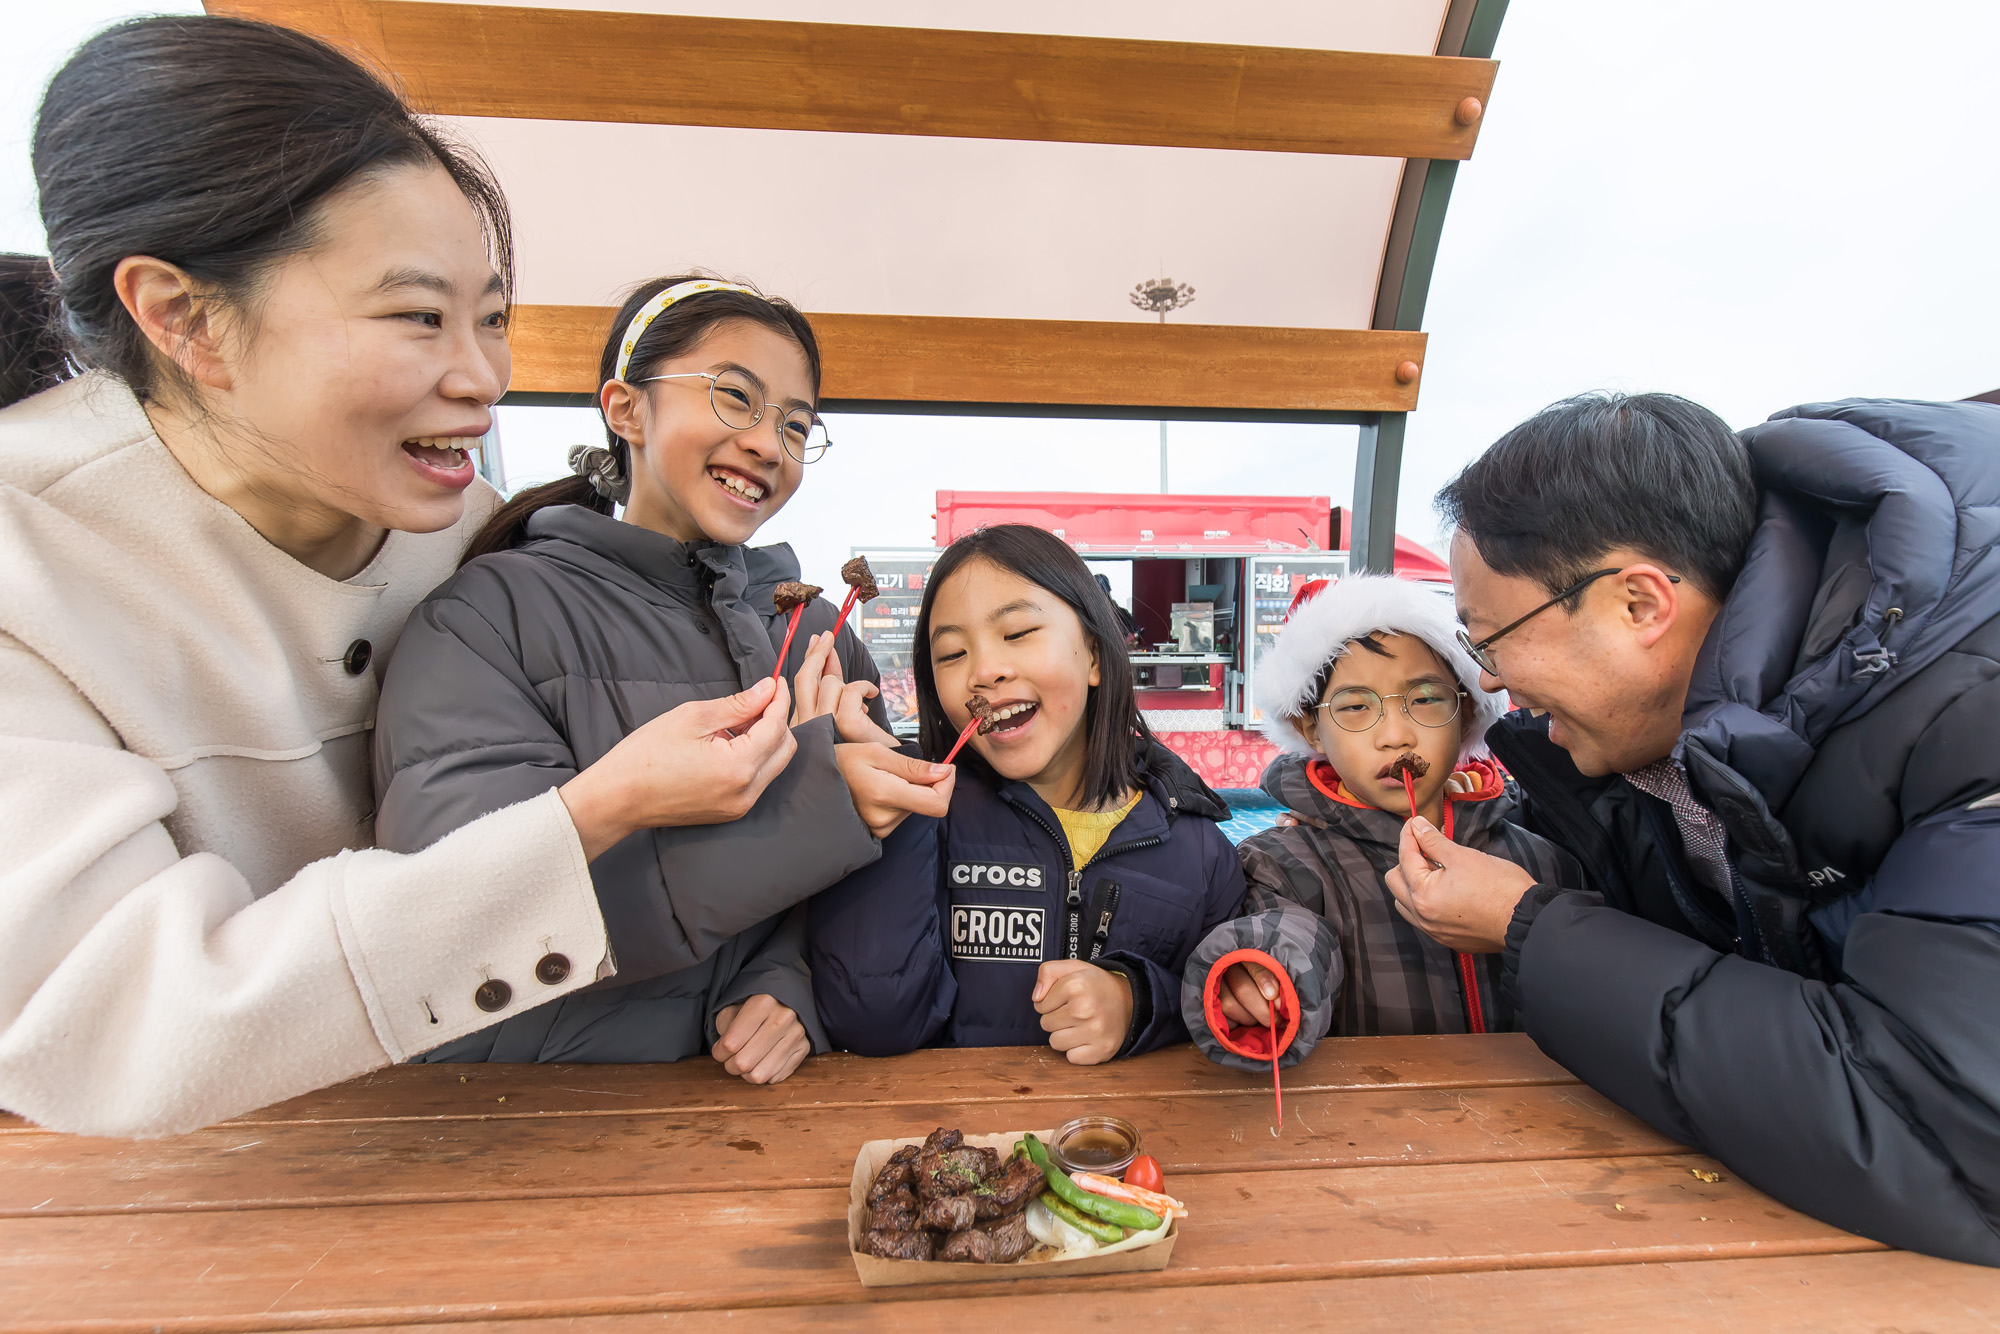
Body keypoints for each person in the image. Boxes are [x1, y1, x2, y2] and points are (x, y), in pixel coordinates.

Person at [0, 17, 803, 1137]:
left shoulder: (478, 533)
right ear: (184, 318)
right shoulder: (28, 563)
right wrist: (596, 809)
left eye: (491, 319)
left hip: (467, 1134)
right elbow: (109, 1022)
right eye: (418, 317)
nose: (482, 379)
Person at [1390, 391, 2000, 1265]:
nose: (1488, 686)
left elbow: (1951, 1139)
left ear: (1639, 604)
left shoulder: (1972, 710)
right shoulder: (1660, 746)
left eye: (1490, 639)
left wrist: (1532, 929)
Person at [372, 276, 951, 1079]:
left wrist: (795, 987)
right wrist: (821, 804)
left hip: (764, 1119)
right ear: (626, 409)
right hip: (528, 1108)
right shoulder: (487, 614)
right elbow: (472, 923)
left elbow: (866, 902)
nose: (767, 445)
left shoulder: (819, 634)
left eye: (794, 425)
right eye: (735, 397)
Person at [808, 525, 1245, 1063]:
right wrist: (895, 818)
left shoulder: (1202, 851)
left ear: (1094, 656)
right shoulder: (932, 823)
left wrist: (1136, 1004)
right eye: (951, 654)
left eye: (1016, 633)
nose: (984, 672)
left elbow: (1227, 1003)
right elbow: (874, 1024)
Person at [1180, 574, 1580, 1070]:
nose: (1396, 735)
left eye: (1427, 699)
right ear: (1312, 729)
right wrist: (1263, 971)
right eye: (1354, 707)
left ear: (1468, 710)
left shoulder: (1540, 855)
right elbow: (1287, 932)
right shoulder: (1282, 863)